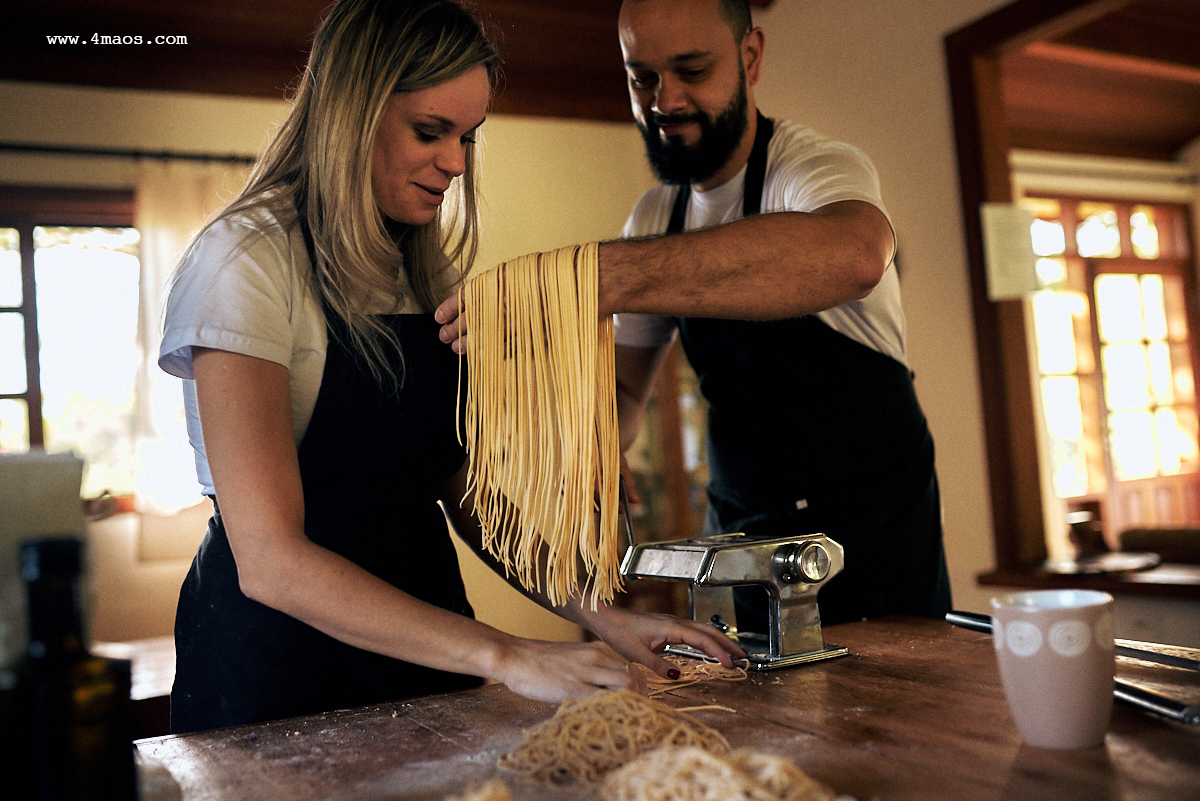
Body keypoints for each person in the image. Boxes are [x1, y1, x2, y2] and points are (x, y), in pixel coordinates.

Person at [158, 0, 740, 735]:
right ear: (350, 116)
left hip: (428, 658)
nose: (457, 163)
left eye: (467, 136)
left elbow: (460, 486)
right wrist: (507, 653)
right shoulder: (244, 262)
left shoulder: (410, 263)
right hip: (278, 676)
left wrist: (601, 614)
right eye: (430, 132)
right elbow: (271, 560)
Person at [437, 0, 952, 628]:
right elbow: (628, 390)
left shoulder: (814, 170)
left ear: (750, 58)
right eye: (642, 78)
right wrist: (593, 446)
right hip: (743, 540)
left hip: (875, 545)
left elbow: (856, 255)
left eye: (692, 70)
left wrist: (589, 278)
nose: (666, 101)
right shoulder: (657, 216)